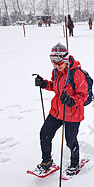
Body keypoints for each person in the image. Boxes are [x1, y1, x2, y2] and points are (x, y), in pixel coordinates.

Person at [35, 42, 88, 176]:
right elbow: (55, 87)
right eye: (53, 63)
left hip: (73, 113)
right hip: (57, 111)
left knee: (70, 141)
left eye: (59, 63)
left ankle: (75, 164)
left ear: (65, 59)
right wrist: (44, 84)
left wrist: (71, 101)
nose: (56, 66)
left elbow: (83, 95)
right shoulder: (56, 72)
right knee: (44, 135)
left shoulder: (77, 74)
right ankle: (47, 162)